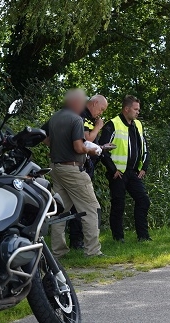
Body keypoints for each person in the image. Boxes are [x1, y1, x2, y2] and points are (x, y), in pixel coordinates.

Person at [43, 88, 104, 258]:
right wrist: (92, 151)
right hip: (73, 169)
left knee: (60, 211)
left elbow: (43, 136)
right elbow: (78, 147)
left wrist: (55, 146)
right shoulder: (76, 120)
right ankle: (93, 251)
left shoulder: (55, 117)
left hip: (56, 168)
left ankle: (58, 252)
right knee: (91, 208)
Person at [99, 95, 152, 243]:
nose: (138, 112)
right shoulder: (112, 124)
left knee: (143, 201)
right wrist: (112, 169)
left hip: (134, 172)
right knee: (118, 205)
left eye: (138, 109)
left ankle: (143, 236)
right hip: (118, 174)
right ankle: (118, 237)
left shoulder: (138, 125)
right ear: (126, 109)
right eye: (135, 109)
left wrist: (144, 168)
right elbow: (101, 150)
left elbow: (146, 148)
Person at [68, 94, 109, 250]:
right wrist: (98, 127)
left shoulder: (86, 117)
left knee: (74, 206)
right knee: (86, 206)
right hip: (79, 167)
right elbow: (85, 140)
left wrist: (102, 147)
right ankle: (80, 243)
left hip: (84, 166)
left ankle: (75, 242)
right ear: (95, 103)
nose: (101, 113)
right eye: (101, 109)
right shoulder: (82, 116)